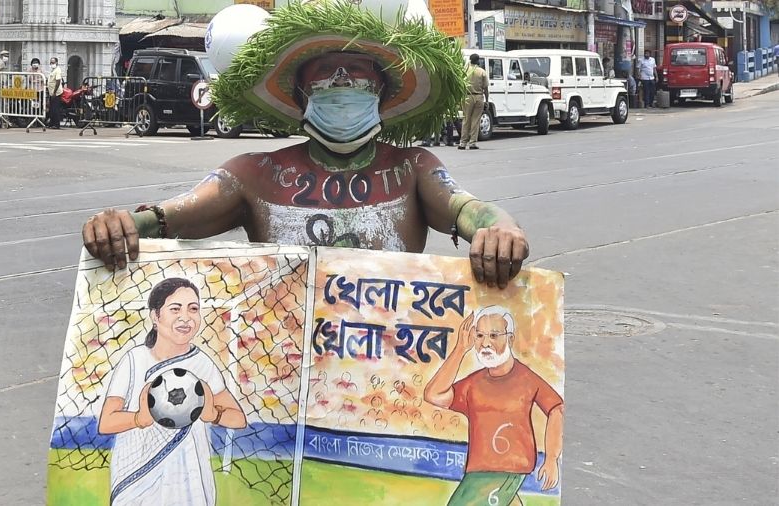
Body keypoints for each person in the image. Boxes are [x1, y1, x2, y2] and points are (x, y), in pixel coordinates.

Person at [82, 1, 528, 290]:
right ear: (298, 95)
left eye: (357, 71)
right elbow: (169, 217)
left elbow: (470, 210)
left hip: (388, 383)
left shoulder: (413, 167)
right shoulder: (253, 173)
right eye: (326, 72)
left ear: (383, 91)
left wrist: (500, 229)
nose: (341, 81)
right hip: (282, 384)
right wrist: (122, 225)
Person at [99, 277, 246, 505]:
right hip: (137, 480)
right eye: (175, 309)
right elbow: (106, 422)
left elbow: (238, 419)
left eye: (193, 309)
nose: (186, 318)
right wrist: (138, 418)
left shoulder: (202, 363)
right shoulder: (135, 361)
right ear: (155, 316)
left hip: (190, 483)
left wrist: (213, 414)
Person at [424, 306, 564, 506]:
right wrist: (460, 350)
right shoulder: (473, 384)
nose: (485, 343)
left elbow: (556, 407)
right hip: (478, 470)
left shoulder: (526, 378)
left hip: (507, 467)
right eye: (479, 335)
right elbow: (433, 394)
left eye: (493, 335)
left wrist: (551, 458)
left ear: (510, 339)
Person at [459, 53, 489, 150]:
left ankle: (462, 143)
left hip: (467, 96)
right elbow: (486, 88)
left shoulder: (465, 70)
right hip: (478, 97)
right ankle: (472, 143)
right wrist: (487, 100)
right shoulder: (481, 71)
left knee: (466, 119)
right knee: (475, 121)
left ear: (470, 60)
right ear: (478, 61)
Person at [47, 57, 63, 129]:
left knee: (55, 109)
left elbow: (58, 81)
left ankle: (56, 124)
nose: (51, 64)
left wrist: (54, 92)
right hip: (52, 92)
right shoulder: (53, 70)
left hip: (56, 93)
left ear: (56, 63)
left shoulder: (58, 70)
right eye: (51, 62)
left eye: (53, 62)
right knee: (52, 109)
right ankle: (51, 124)